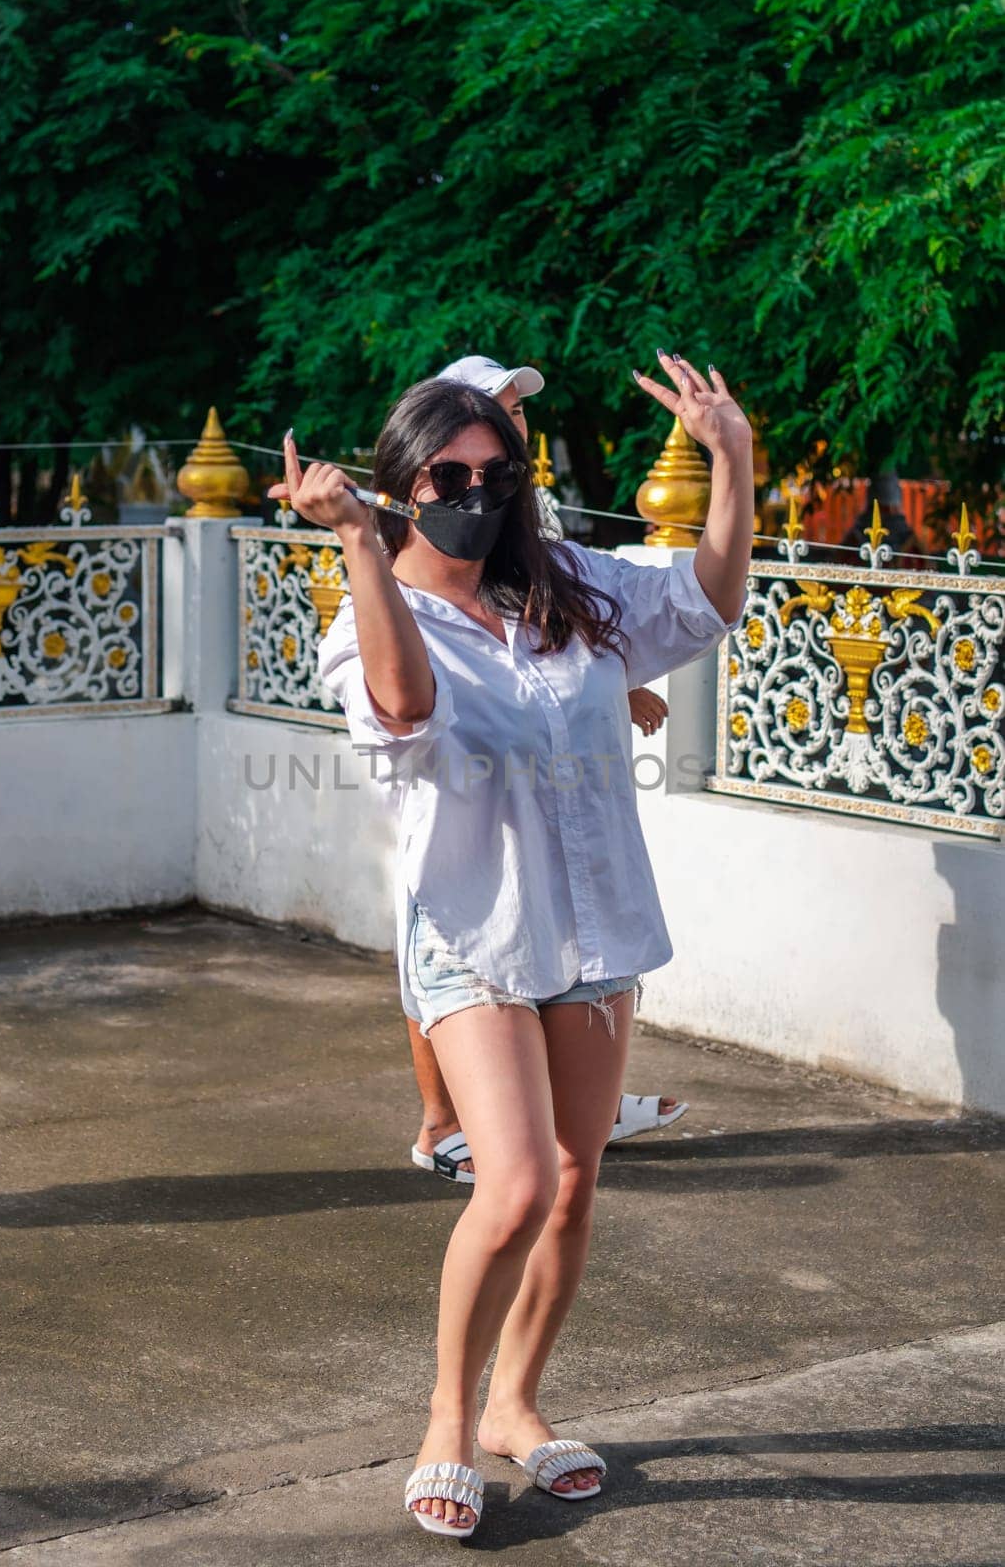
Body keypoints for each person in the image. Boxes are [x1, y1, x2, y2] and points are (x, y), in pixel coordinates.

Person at [278, 351, 752, 1538]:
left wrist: (732, 459)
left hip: (593, 930)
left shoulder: (570, 584)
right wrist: (353, 546)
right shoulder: (376, 612)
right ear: (403, 482)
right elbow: (407, 708)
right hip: (476, 936)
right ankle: (448, 1419)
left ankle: (517, 1407)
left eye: (499, 470)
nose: (476, 491)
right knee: (520, 1178)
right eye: (449, 473)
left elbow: (704, 603)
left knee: (578, 1186)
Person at [408, 353, 688, 1188]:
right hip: (450, 769)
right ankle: (442, 1122)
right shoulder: (438, 517)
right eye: (491, 408)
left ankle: (572, 1102)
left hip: (547, 769)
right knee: (444, 948)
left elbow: (558, 631)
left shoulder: (530, 511)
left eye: (516, 413)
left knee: (564, 936)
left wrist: (620, 681)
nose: (511, 422)